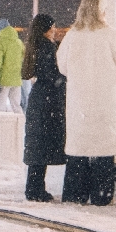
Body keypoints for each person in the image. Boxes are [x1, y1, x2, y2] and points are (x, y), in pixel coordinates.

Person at [56, 0, 116, 206]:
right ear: (100, 12)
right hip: (103, 103)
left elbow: (62, 67)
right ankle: (101, 196)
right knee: (102, 152)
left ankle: (74, 194)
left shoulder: (72, 36)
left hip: (78, 105)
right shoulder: (109, 35)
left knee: (78, 151)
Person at [21, 14, 66, 202]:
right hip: (49, 101)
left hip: (38, 98)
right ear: (45, 28)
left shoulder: (34, 45)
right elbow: (53, 74)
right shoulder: (47, 47)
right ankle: (35, 190)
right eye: (52, 26)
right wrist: (64, 79)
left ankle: (33, 187)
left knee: (37, 145)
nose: (54, 30)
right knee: (43, 146)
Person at [0, 19, 24, 113]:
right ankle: (20, 121)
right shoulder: (19, 42)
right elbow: (22, 59)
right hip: (16, 78)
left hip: (3, 79)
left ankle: (1, 123)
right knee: (16, 106)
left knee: (1, 106)